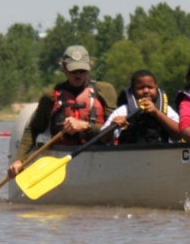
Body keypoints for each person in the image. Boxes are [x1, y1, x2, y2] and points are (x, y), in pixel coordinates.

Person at [8, 45, 118, 177]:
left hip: (100, 156)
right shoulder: (50, 96)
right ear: (64, 69)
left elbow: (115, 130)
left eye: (82, 70)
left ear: (89, 68)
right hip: (63, 156)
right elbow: (33, 129)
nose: (78, 75)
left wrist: (85, 126)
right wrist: (19, 160)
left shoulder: (105, 90)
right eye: (73, 70)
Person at [106, 69, 182, 144]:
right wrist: (113, 125)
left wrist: (156, 112)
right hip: (131, 154)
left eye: (150, 87)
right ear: (133, 90)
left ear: (156, 87)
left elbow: (180, 134)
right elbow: (103, 139)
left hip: (159, 154)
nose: (146, 91)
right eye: (140, 88)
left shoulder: (166, 110)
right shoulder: (123, 111)